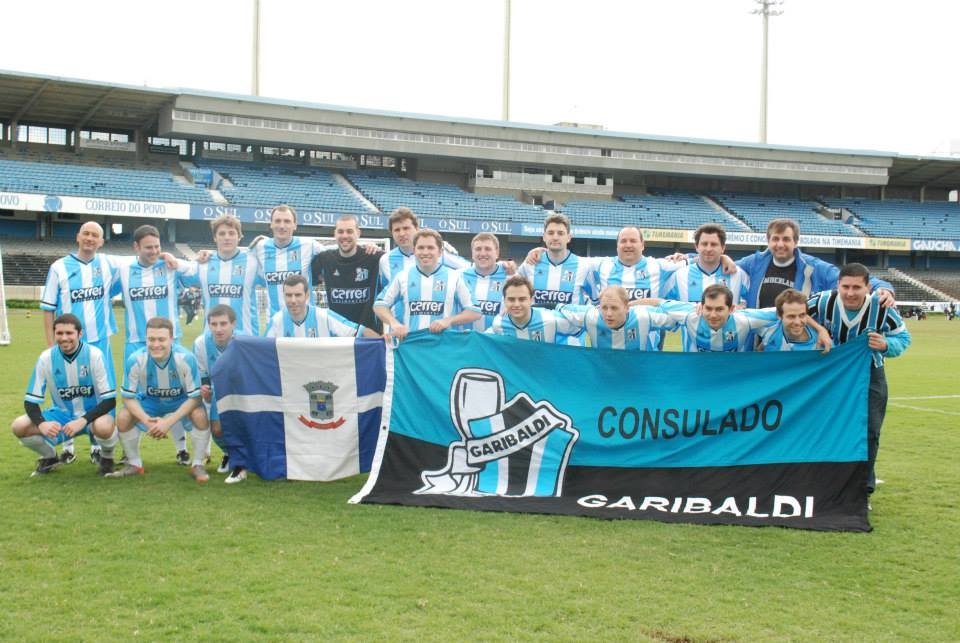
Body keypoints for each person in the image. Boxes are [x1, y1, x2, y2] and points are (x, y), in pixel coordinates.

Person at [806, 263, 911, 499]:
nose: (850, 293)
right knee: (824, 427)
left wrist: (886, 345)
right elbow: (795, 313)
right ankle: (822, 482)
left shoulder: (881, 308)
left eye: (857, 287)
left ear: (868, 287)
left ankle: (862, 489)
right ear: (838, 285)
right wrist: (819, 330)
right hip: (830, 376)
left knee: (869, 431)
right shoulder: (823, 301)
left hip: (869, 374)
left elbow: (903, 338)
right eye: (846, 287)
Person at [40, 221, 119, 465]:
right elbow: (47, 309)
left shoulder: (108, 264)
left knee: (99, 393)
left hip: (100, 342)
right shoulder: (59, 267)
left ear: (101, 241)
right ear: (77, 236)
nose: (90, 238)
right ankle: (68, 446)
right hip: (67, 345)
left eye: (95, 235)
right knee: (64, 391)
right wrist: (52, 343)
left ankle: (98, 447)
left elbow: (143, 261)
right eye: (86, 233)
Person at [114, 224, 192, 464]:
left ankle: (182, 449)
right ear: (136, 247)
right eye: (148, 247)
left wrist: (179, 259)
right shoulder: (124, 271)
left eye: (157, 246)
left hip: (170, 343)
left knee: (174, 393)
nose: (154, 251)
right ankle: (131, 454)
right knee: (137, 399)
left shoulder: (169, 266)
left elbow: (196, 271)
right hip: (136, 343)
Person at [10, 314, 119, 477]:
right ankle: (50, 457)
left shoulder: (94, 355)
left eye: (69, 333)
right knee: (19, 425)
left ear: (80, 334)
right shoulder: (45, 358)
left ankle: (107, 458)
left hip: (94, 416)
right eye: (59, 333)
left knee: (104, 426)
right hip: (62, 416)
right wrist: (41, 424)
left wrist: (82, 420)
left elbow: (110, 400)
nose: (64, 338)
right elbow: (31, 401)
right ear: (54, 334)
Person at [107, 317, 211, 482]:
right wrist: (147, 421)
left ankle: (197, 464)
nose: (156, 344)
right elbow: (127, 397)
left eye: (161, 339)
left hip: (180, 400)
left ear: (171, 339)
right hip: (151, 402)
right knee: (124, 416)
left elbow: (195, 397)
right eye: (151, 339)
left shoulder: (185, 358)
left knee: (200, 414)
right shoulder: (135, 359)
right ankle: (134, 464)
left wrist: (167, 422)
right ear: (145, 339)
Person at [735, 218, 895, 309]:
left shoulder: (813, 267)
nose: (780, 244)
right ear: (768, 241)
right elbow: (723, 270)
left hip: (796, 339)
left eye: (786, 239)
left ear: (796, 242)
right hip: (759, 342)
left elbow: (850, 278)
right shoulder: (754, 263)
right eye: (775, 239)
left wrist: (882, 288)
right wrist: (724, 259)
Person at [650, 284, 831, 353]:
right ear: (701, 306)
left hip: (734, 381)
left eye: (720, 309)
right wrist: (628, 307)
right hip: (697, 377)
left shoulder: (745, 319)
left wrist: (821, 329)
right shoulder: (691, 313)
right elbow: (656, 302)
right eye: (709, 309)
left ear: (732, 309)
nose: (713, 314)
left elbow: (791, 311)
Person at [374, 228, 480, 342]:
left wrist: (449, 320)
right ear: (414, 250)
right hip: (411, 346)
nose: (425, 252)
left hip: (445, 346)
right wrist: (394, 323)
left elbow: (475, 311)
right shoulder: (402, 277)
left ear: (440, 252)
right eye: (421, 248)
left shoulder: (455, 277)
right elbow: (379, 305)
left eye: (430, 248)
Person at [179, 214, 264, 336]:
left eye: (231, 233)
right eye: (222, 234)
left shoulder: (253, 263)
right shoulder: (203, 264)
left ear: (239, 237)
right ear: (215, 237)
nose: (227, 237)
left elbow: (277, 279)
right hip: (212, 339)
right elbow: (174, 273)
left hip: (246, 338)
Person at [193, 304, 246, 483]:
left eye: (223, 324)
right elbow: (203, 375)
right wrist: (205, 389)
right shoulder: (201, 343)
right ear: (208, 325)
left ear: (233, 324)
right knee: (217, 428)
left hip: (245, 391)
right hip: (220, 390)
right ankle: (228, 453)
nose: (218, 329)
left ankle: (244, 462)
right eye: (214, 324)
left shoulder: (244, 341)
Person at [250, 204, 328, 317]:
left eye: (287, 221)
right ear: (271, 224)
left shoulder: (310, 246)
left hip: (306, 321)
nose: (282, 226)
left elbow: (335, 258)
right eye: (277, 221)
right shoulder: (259, 248)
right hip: (275, 322)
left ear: (295, 225)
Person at [310, 213, 383, 332]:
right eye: (340, 232)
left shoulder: (374, 257)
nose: (345, 236)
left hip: (369, 336)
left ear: (358, 233)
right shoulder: (325, 259)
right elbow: (306, 278)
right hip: (338, 334)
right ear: (335, 234)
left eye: (349, 231)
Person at [557, 286, 678, 351]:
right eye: (604, 307)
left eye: (614, 308)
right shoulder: (590, 316)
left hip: (641, 377)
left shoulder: (644, 316)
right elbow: (558, 307)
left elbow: (677, 316)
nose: (608, 314)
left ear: (626, 308)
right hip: (606, 380)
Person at [517, 213, 596, 309]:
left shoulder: (584, 267)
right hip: (536, 324)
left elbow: (596, 301)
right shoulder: (530, 264)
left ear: (569, 237)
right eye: (550, 233)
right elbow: (511, 293)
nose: (555, 237)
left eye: (560, 233)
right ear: (544, 237)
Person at [265, 275, 380, 339]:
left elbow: (360, 331)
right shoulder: (277, 321)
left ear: (307, 295)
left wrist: (383, 344)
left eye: (298, 295)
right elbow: (261, 349)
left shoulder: (324, 316)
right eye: (289, 295)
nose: (293, 300)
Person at [664, 223, 749, 306]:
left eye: (714, 244)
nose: (708, 249)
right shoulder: (679, 276)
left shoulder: (739, 275)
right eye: (704, 244)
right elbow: (665, 309)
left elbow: (753, 304)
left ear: (723, 248)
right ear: (696, 247)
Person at [486, 275, 579, 343]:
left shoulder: (551, 319)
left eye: (522, 299)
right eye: (511, 299)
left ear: (531, 300)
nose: (516, 304)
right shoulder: (498, 323)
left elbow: (580, 330)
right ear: (505, 301)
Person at [458, 232, 510, 331]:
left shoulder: (510, 278)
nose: (482, 253)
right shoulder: (458, 276)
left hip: (495, 342)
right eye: (478, 249)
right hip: (465, 342)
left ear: (497, 253)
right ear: (472, 253)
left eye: (488, 249)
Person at [759, 288, 831, 352]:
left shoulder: (821, 343)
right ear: (779, 316)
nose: (797, 322)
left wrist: (821, 330)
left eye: (802, 315)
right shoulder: (770, 329)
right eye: (791, 316)